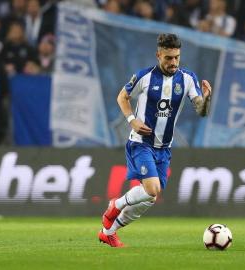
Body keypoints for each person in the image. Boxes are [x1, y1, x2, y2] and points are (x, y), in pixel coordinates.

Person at [98, 33, 212, 248]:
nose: (173, 62)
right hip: (141, 143)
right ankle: (116, 204)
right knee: (152, 190)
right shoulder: (144, 76)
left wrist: (206, 100)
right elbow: (122, 97)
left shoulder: (187, 78)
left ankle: (108, 232)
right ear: (158, 55)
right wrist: (132, 120)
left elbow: (201, 110)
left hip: (164, 149)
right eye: (168, 58)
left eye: (176, 57)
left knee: (150, 197)